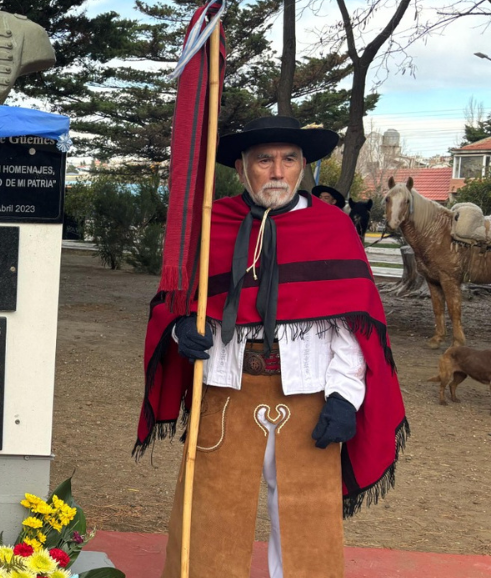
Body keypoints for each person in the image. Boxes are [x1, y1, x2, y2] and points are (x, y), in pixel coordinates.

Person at [134, 116, 407, 578]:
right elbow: (173, 300)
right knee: (210, 514)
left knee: (308, 520)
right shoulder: (211, 224)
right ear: (241, 168)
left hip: (309, 398)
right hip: (226, 394)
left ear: (303, 167)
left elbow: (354, 326)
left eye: (289, 160)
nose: (278, 172)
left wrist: (344, 397)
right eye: (264, 160)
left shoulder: (333, 227)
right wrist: (181, 329)